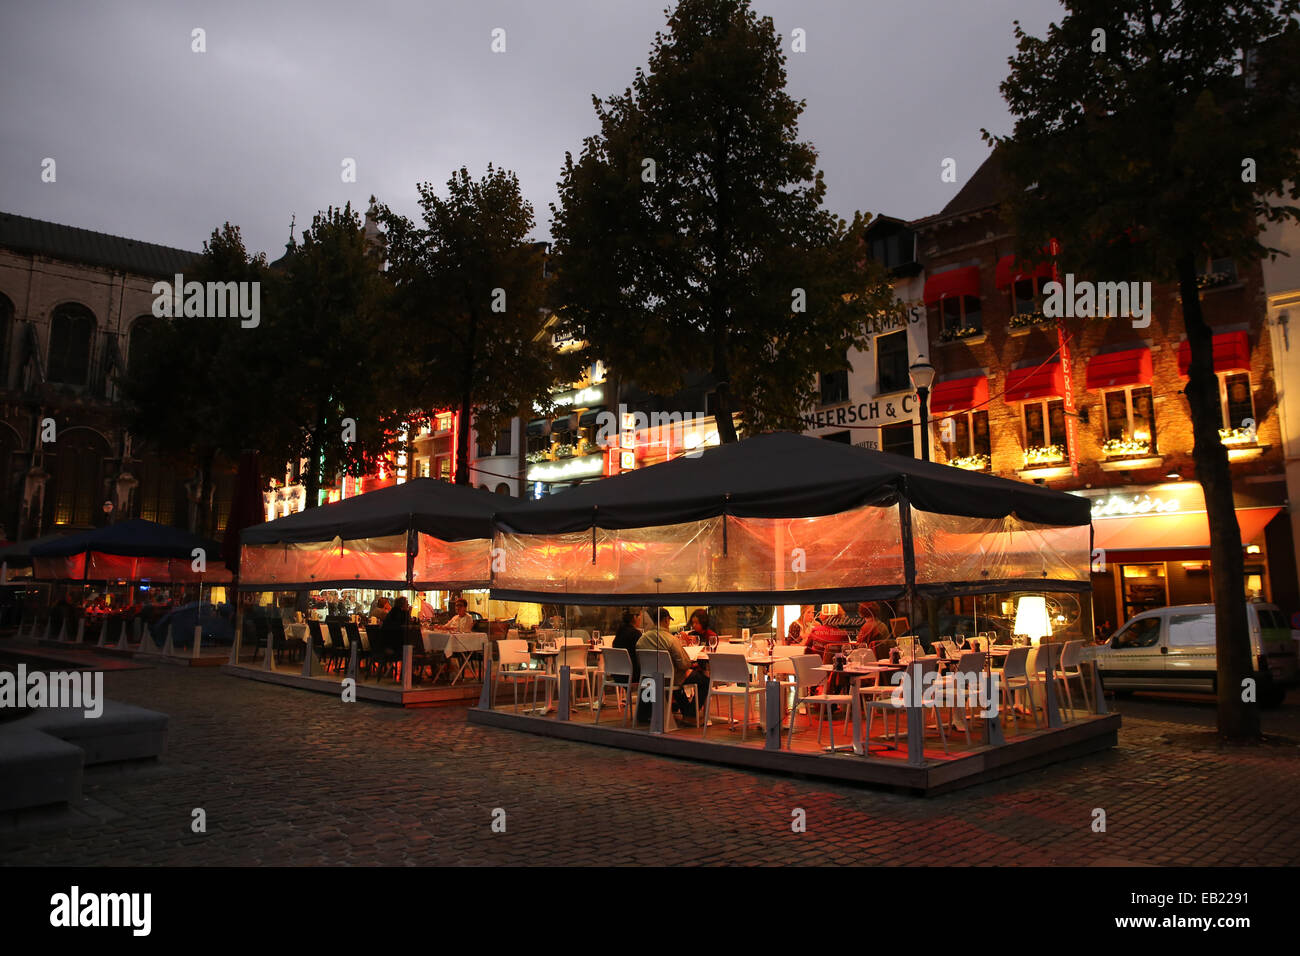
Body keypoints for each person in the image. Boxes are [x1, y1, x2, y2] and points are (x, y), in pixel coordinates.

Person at [636, 607, 707, 722]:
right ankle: (691, 715)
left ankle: (687, 712)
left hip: (649, 679)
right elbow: (684, 664)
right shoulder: (670, 639)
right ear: (665, 620)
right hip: (670, 679)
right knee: (704, 681)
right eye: (669, 620)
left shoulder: (641, 640)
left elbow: (640, 662)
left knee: (677, 680)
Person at [612, 609, 643, 688]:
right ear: (635, 617)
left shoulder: (620, 632)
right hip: (631, 675)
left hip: (617, 675)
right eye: (640, 616)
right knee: (655, 674)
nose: (641, 620)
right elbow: (643, 653)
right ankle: (648, 700)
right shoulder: (635, 634)